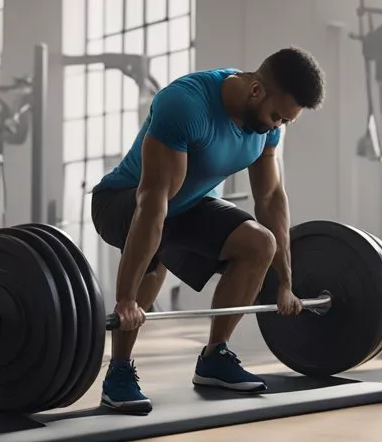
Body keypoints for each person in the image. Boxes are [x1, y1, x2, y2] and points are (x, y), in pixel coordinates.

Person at [90, 47, 325, 413]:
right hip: (122, 199)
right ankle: (118, 371)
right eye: (277, 115)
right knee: (156, 247)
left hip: (187, 205)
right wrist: (125, 301)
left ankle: (215, 357)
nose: (277, 124)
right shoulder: (185, 105)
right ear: (256, 91)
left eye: (286, 121)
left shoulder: (267, 128)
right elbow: (152, 203)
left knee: (259, 245)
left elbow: (271, 198)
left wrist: (285, 282)